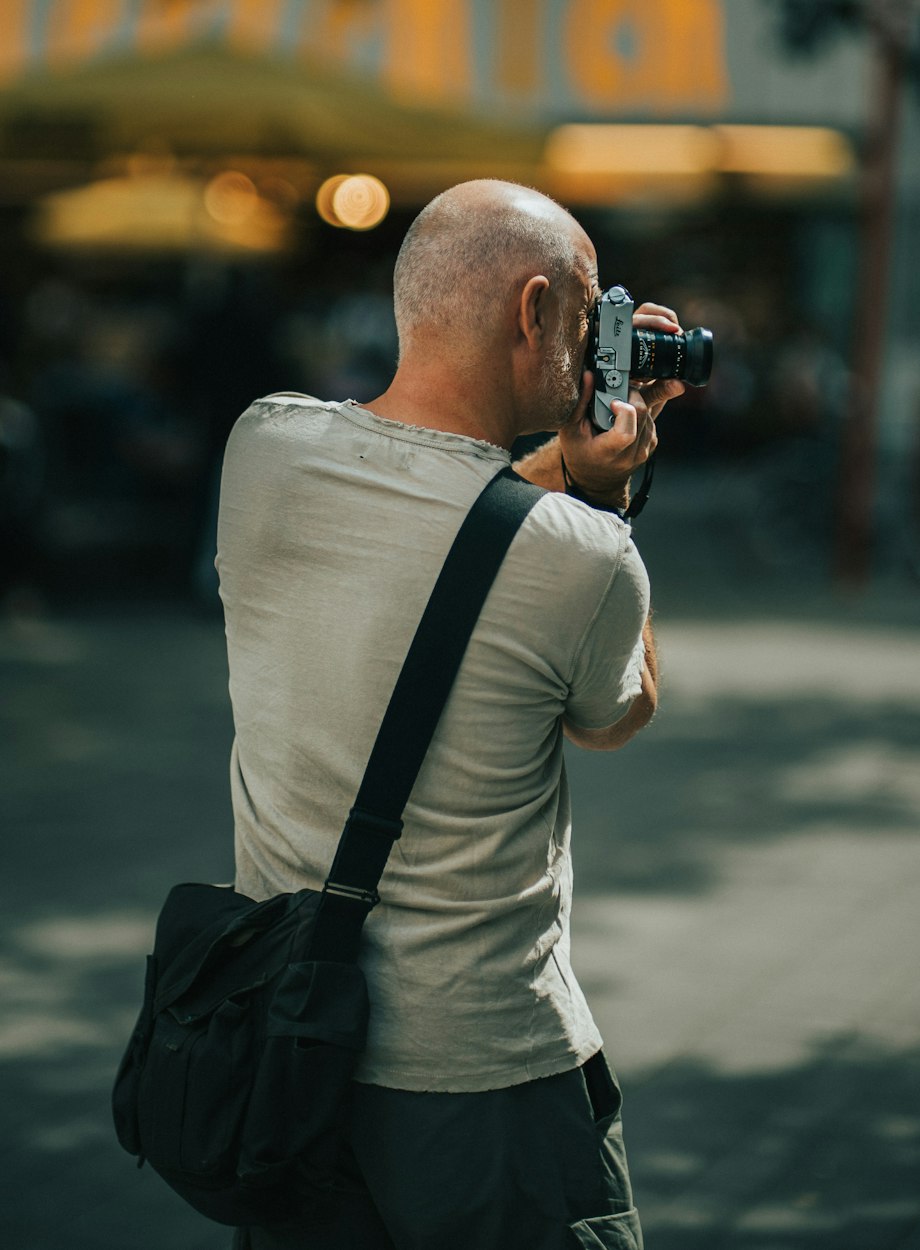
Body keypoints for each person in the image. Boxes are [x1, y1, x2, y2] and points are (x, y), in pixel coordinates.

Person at [216, 180, 685, 1250]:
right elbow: (615, 716)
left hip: (284, 1054)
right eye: (584, 312)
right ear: (532, 313)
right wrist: (604, 494)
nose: (586, 340)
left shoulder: (264, 451)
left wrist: (563, 469)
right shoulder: (582, 552)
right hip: (486, 1077)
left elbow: (436, 508)